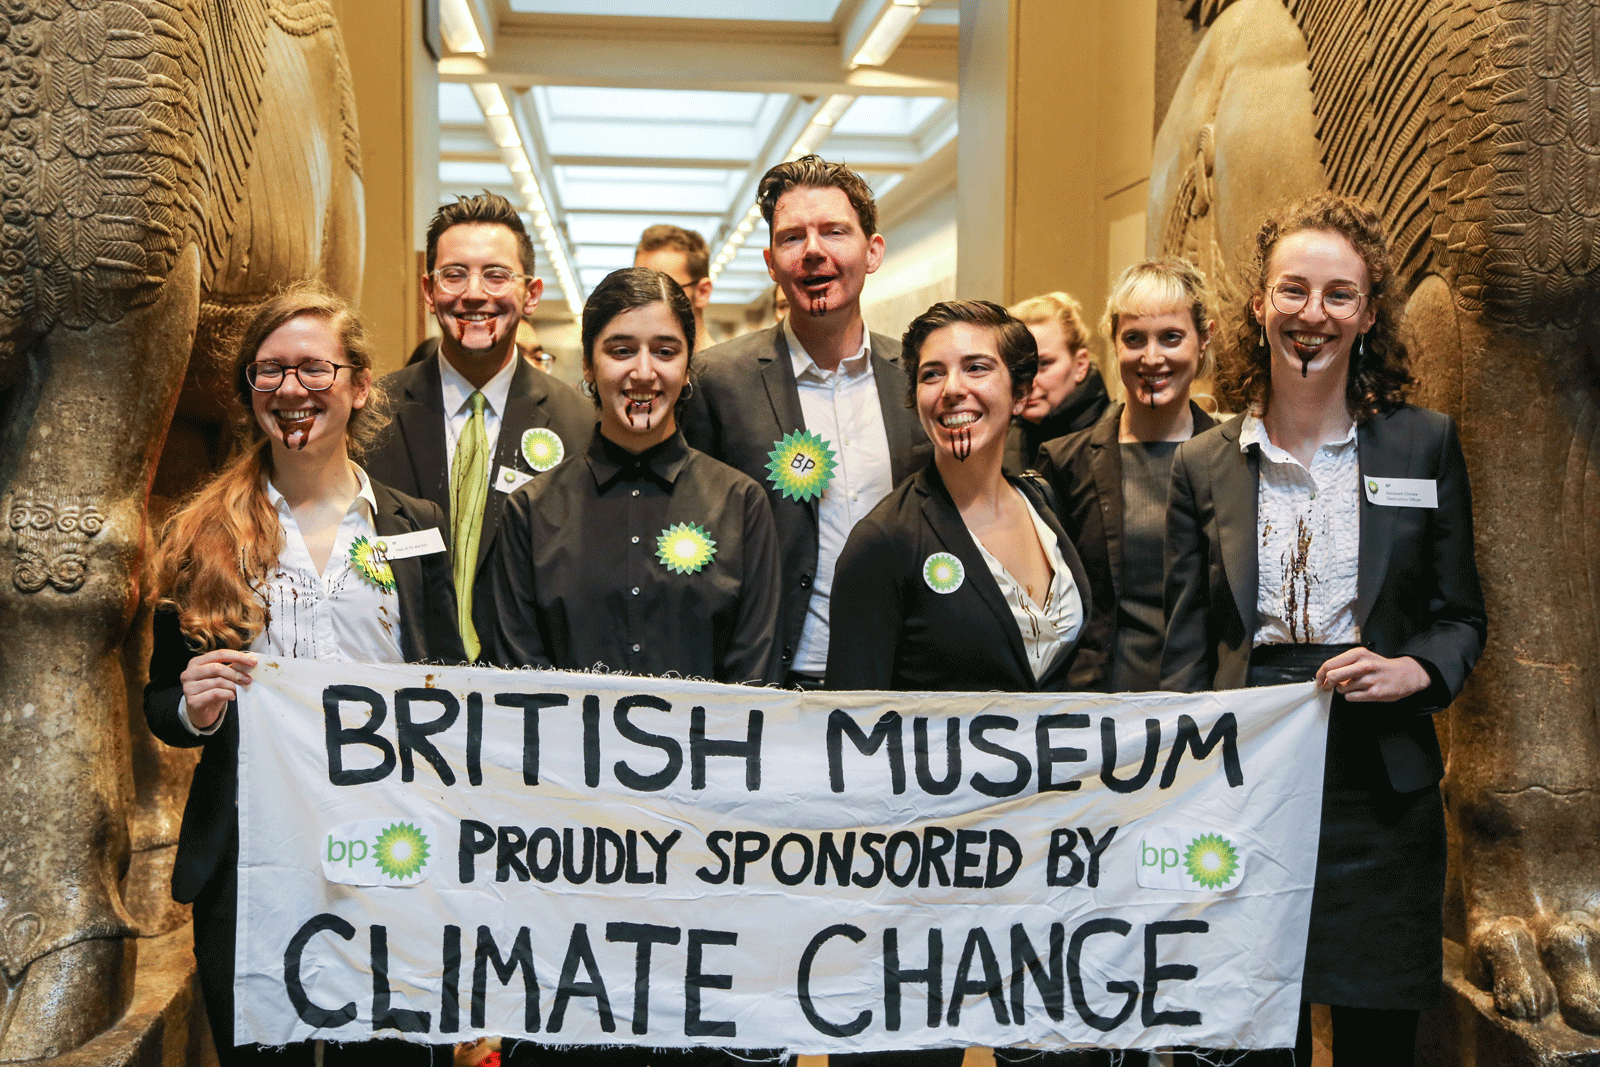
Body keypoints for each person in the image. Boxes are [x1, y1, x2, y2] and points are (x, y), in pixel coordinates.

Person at [1161, 194, 1486, 1066]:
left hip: (1380, 785)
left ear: (1370, 313)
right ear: (1260, 304)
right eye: (1293, 290)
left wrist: (1416, 670)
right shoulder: (1203, 461)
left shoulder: (1422, 445)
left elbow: (1461, 616)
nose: (1313, 314)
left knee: (1379, 1033)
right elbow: (1184, 643)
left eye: (1339, 295)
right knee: (1255, 1033)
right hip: (1247, 775)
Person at [145, 286, 464, 1066]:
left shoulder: (415, 525)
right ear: (249, 390)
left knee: (385, 1055)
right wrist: (193, 709)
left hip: (389, 848)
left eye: (315, 370)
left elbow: (452, 675)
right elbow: (162, 699)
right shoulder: (199, 533)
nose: (291, 390)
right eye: (269, 372)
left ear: (358, 386)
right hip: (253, 851)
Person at [825, 300, 1091, 1067]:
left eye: (977, 367)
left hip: (1040, 859)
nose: (952, 389)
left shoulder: (1040, 505)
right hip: (923, 880)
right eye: (932, 374)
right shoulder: (887, 543)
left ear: (1020, 386)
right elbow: (855, 738)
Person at [682, 155, 931, 689]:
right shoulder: (717, 382)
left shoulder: (917, 379)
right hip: (773, 679)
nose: (814, 250)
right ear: (772, 263)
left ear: (873, 251)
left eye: (834, 232)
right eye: (793, 237)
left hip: (902, 679)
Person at [492, 266, 782, 685]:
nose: (644, 372)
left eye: (665, 352)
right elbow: (520, 676)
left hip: (705, 748)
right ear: (589, 365)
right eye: (621, 351)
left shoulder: (740, 504)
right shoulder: (532, 510)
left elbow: (755, 668)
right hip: (570, 748)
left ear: (687, 367)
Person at [365, 192, 593, 662]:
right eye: (454, 274)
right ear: (428, 291)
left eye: (496, 275)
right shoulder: (372, 415)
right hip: (397, 683)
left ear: (530, 294)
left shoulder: (581, 425)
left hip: (525, 694)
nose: (473, 293)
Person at [1036, 260, 1218, 692]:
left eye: (1171, 337)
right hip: (1099, 711)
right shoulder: (1064, 463)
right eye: (1134, 339)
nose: (1151, 358)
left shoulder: (1236, 460)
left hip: (1208, 715)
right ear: (1114, 342)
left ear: (1204, 337)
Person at [1003, 291, 1110, 474]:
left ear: (1081, 366)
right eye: (1018, 367)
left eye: (1043, 364)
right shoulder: (999, 441)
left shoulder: (1116, 433)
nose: (1027, 383)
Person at [634, 223, 714, 352]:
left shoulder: (727, 370)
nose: (646, 301)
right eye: (639, 288)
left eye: (664, 289)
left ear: (702, 292)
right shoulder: (640, 367)